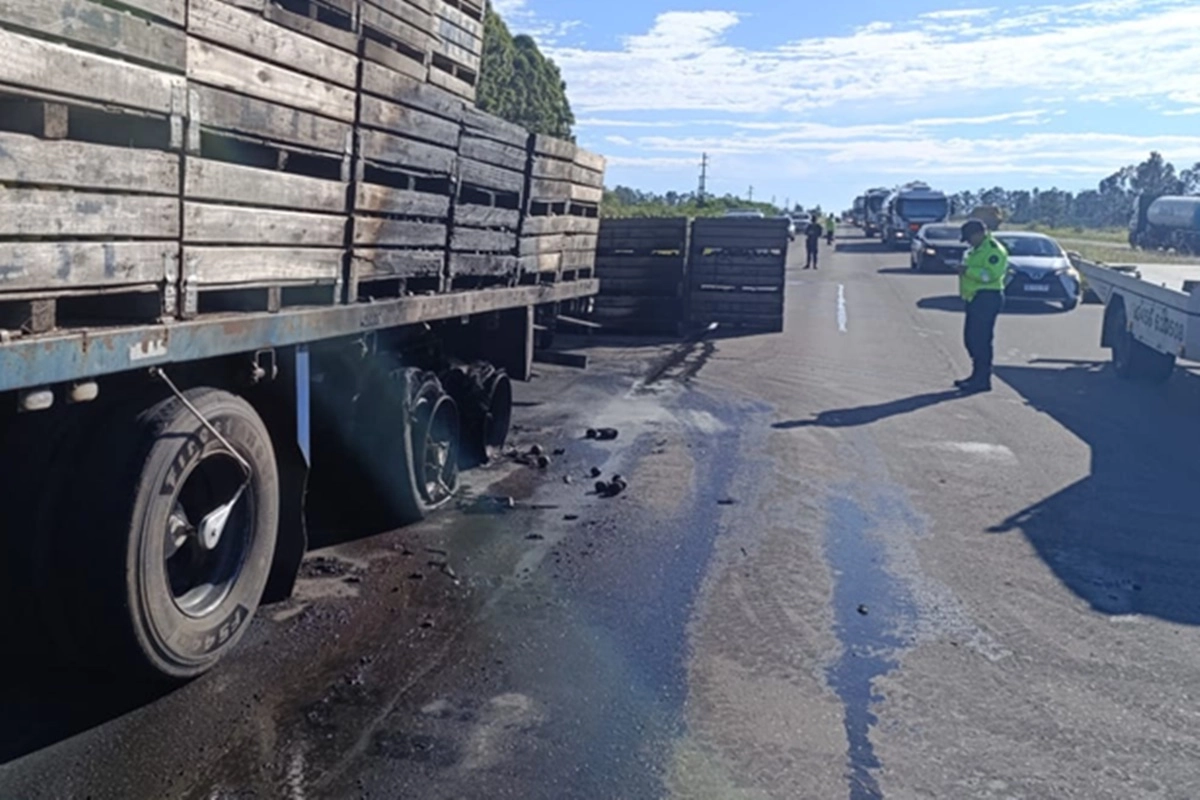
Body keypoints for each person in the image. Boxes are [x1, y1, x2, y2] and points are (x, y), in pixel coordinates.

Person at [955, 219, 1008, 393]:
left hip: (987, 298)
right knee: (970, 339)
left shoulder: (993, 250)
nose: (968, 241)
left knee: (981, 341)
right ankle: (976, 375)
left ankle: (982, 380)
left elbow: (991, 275)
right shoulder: (975, 250)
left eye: (969, 237)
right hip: (974, 298)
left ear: (979, 234)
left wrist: (967, 271)